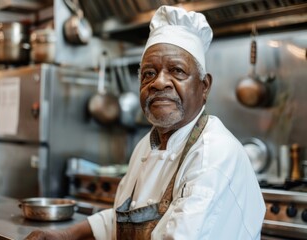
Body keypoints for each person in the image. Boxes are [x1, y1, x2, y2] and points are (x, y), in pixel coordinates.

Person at [25, 5, 266, 240]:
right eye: (149, 73)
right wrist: (63, 235)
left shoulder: (212, 155)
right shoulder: (148, 144)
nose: (159, 82)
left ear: (204, 87)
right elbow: (123, 218)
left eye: (177, 71)